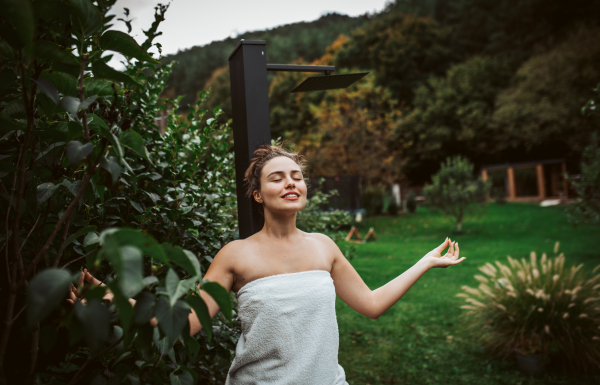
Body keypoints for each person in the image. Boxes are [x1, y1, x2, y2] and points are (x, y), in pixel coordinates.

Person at [69, 144, 466, 385]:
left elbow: (372, 305)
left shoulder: (324, 247)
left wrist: (424, 263)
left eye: (297, 176)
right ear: (258, 194)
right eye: (277, 178)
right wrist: (110, 299)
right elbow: (187, 322)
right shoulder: (236, 254)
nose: (291, 183)